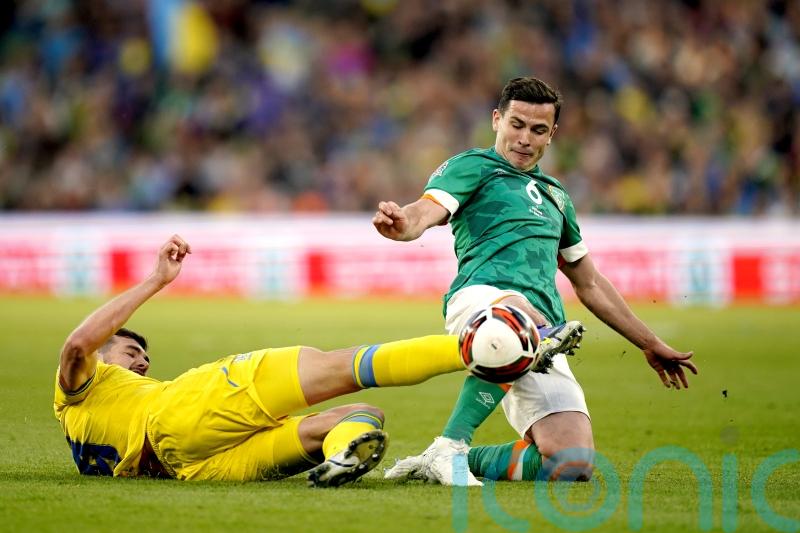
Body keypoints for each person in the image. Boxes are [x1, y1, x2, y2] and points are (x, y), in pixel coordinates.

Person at [372, 77, 698, 486]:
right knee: (518, 320)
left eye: (538, 129)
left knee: (570, 462)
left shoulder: (557, 197)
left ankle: (452, 462)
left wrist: (650, 343)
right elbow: (424, 211)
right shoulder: (472, 167)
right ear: (497, 120)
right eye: (517, 124)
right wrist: (404, 225)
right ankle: (450, 444)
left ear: (552, 134)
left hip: (543, 332)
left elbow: (590, 284)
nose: (525, 138)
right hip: (483, 301)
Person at [55, 234, 485, 486]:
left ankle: (339, 458)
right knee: (337, 367)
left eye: (145, 355)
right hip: (180, 414)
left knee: (362, 414)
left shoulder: (87, 422)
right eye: (132, 351)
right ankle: (482, 347)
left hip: (189, 467)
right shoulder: (82, 386)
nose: (144, 362)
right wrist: (156, 279)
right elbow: (77, 345)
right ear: (103, 356)